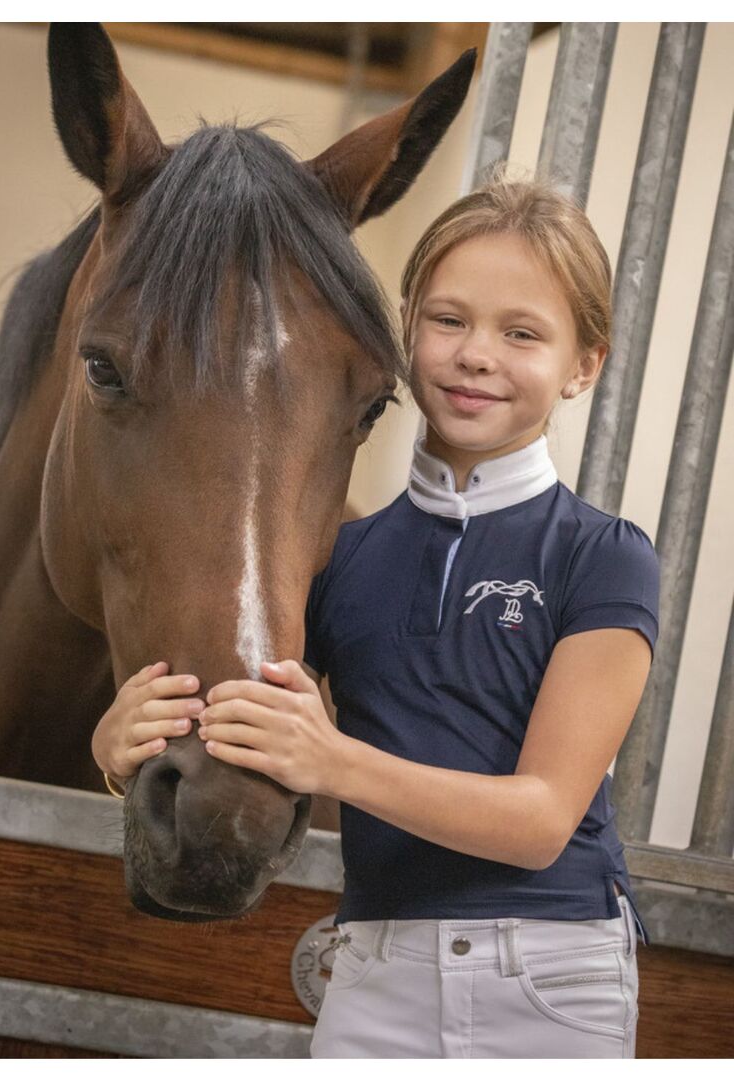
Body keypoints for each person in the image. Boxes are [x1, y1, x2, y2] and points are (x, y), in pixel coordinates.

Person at [92, 170, 659, 1058]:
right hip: (371, 967)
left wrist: (336, 762)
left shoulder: (605, 557)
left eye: (522, 333)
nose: (476, 354)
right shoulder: (342, 556)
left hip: (550, 975)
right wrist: (123, 743)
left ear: (584, 365)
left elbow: (543, 818)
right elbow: (241, 720)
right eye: (449, 320)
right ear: (405, 330)